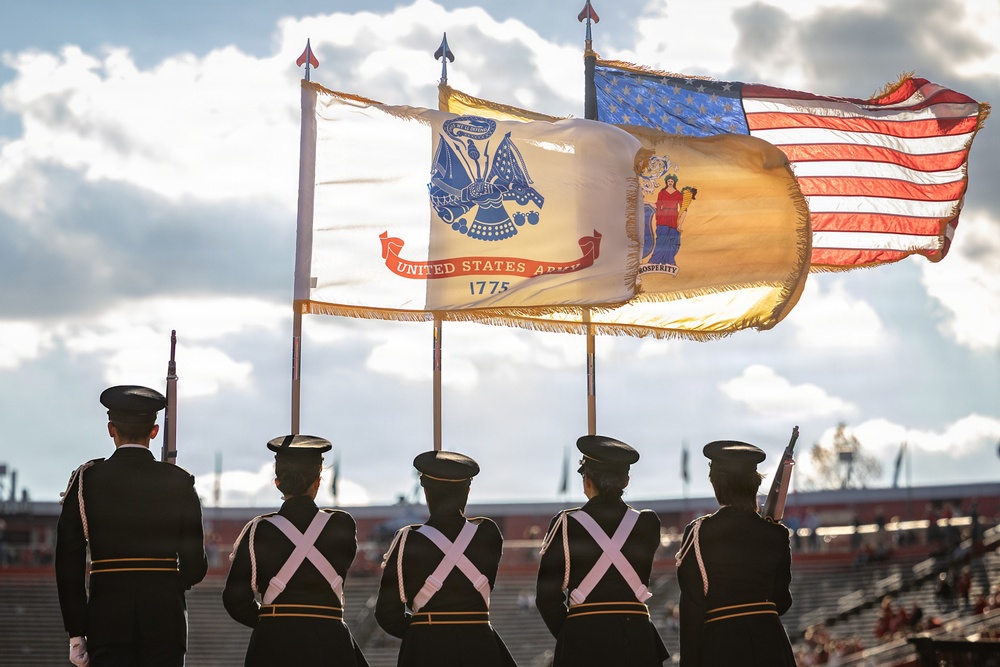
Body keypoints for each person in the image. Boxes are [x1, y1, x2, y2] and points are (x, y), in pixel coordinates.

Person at [55, 385, 208, 667]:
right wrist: (169, 582)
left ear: (111, 428)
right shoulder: (179, 481)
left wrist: (76, 633)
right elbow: (195, 566)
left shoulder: (86, 481)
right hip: (165, 618)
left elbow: (68, 563)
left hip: (106, 619)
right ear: (154, 430)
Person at [223, 435, 368, 667]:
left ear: (278, 482)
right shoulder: (342, 525)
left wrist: (273, 622)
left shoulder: (258, 530)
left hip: (274, 644)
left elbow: (235, 599)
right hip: (330, 642)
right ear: (318, 482)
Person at [535, 435, 669, 666]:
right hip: (637, 640)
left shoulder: (566, 524)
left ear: (586, 481)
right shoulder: (648, 523)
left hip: (583, 641)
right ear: (626, 481)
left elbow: (546, 598)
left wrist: (573, 633)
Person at [376, 450, 515, 667]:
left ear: (427, 494)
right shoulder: (488, 534)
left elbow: (386, 613)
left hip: (426, 651)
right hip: (480, 647)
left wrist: (423, 630)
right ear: (467, 491)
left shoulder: (407, 540)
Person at [675, 440, 795, 666]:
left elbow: (692, 610)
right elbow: (781, 602)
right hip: (771, 646)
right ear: (754, 485)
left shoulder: (699, 532)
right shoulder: (776, 533)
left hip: (721, 647)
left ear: (716, 485)